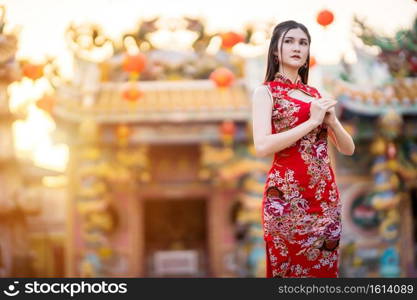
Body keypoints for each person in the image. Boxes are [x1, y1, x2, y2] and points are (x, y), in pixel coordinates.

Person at [251, 20, 355, 278]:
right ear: (275, 50)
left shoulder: (315, 95)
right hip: (285, 198)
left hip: (324, 197)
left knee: (323, 272)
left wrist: (331, 121)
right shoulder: (266, 93)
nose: (297, 47)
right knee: (287, 271)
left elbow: (348, 148)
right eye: (289, 41)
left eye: (303, 43)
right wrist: (312, 122)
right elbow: (262, 145)